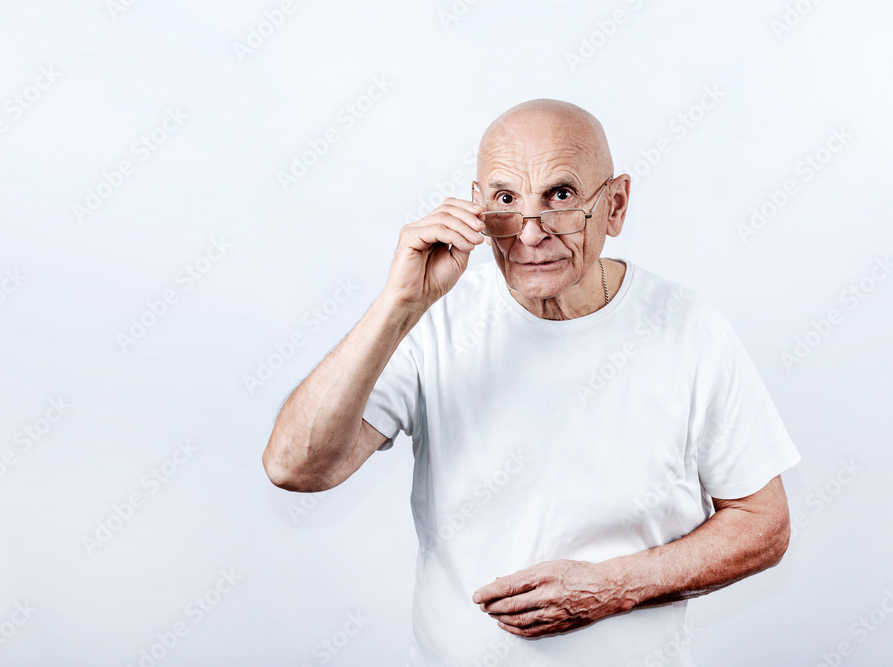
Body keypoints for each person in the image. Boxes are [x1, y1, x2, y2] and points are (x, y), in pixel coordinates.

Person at [263, 99, 801, 666]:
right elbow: (295, 468)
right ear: (476, 207)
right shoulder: (433, 318)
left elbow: (762, 524)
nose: (530, 233)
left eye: (560, 195)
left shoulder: (689, 328)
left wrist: (612, 588)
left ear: (615, 205)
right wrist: (400, 303)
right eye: (505, 200)